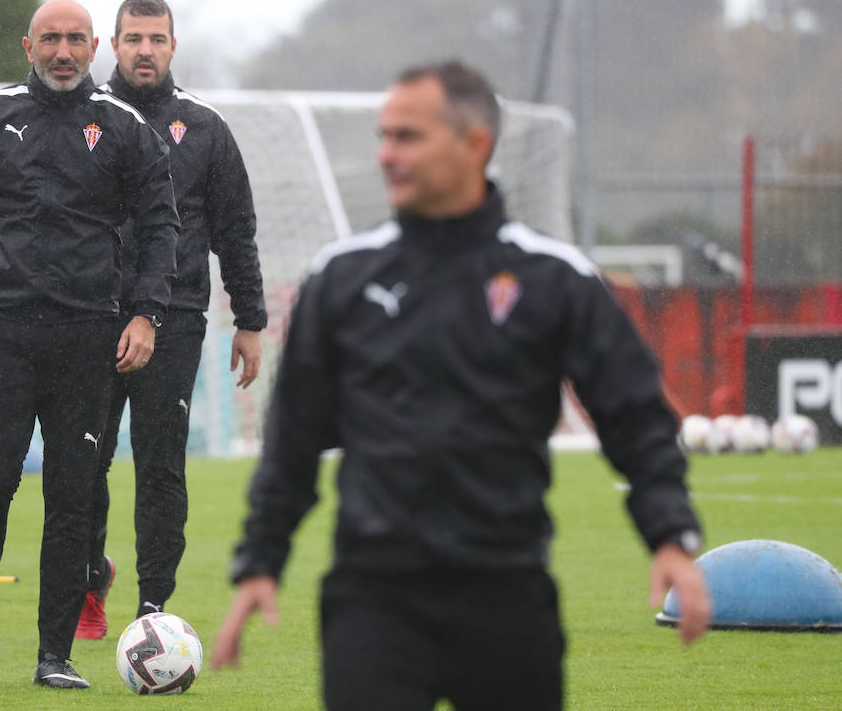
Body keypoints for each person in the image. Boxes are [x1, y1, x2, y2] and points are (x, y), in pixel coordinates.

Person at [210, 60, 711, 710]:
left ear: (475, 145)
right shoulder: (342, 278)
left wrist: (669, 534)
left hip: (507, 598)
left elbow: (634, 414)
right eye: (384, 136)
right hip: (373, 603)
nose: (387, 155)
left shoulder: (554, 277)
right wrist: (260, 559)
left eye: (408, 137)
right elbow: (293, 437)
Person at [0, 0, 178, 689]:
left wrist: (146, 314)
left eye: (75, 39)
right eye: (50, 39)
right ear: (27, 45)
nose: (63, 51)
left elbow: (160, 228)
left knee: (72, 495)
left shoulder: (123, 127)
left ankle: (53, 654)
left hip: (88, 336)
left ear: (95, 47)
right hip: (1, 330)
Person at [75, 0, 266, 639]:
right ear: (114, 45)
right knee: (85, 462)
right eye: (133, 39)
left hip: (177, 320)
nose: (145, 50)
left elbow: (236, 230)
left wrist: (250, 319)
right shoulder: (79, 120)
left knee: (160, 464)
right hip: (89, 317)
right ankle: (88, 580)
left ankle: (154, 604)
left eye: (156, 38)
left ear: (173, 46)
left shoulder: (204, 127)